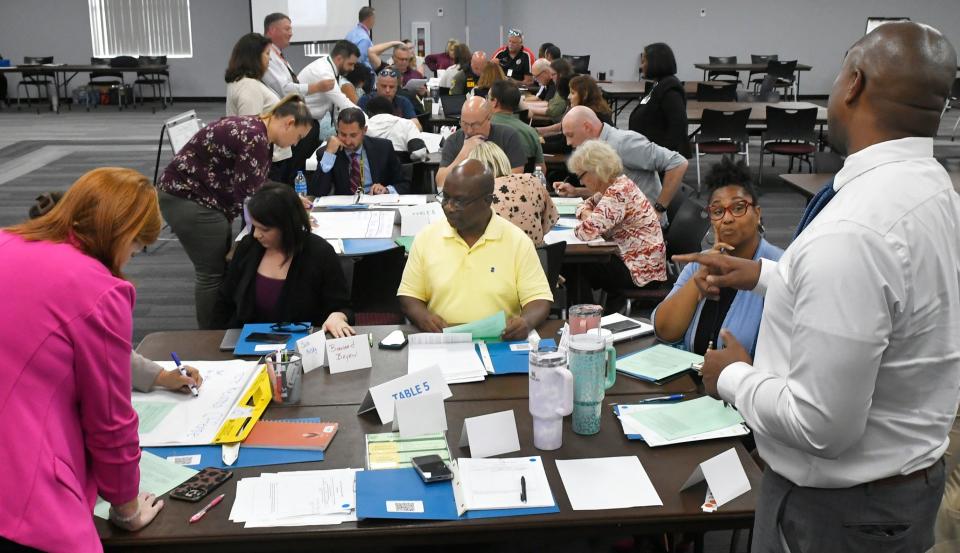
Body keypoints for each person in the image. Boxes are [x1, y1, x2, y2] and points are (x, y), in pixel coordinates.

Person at [675, 22, 959, 553]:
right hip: (899, 488)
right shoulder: (932, 188)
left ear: (853, 83)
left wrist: (732, 375)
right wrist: (765, 275)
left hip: (838, 513)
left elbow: (821, 425)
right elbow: (888, 299)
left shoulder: (852, 230)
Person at [0, 168, 166, 551]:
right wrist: (126, 508)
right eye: (137, 247)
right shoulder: (98, 290)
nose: (130, 258)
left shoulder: (7, 243)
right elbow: (109, 420)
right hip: (23, 493)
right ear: (125, 234)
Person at [158, 95, 313, 329]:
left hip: (196, 194)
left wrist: (288, 197)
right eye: (298, 137)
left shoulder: (257, 128)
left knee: (218, 267)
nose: (295, 143)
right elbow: (250, 197)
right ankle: (209, 335)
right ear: (289, 123)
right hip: (190, 198)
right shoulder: (255, 137)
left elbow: (255, 179)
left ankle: (216, 328)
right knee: (212, 273)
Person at [25, 191, 203, 395]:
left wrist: (161, 376)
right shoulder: (66, 283)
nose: (126, 261)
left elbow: (106, 346)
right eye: (132, 251)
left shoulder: (53, 268)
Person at [398, 159, 553, 340]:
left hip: (500, 341)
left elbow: (539, 299)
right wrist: (423, 317)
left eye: (459, 201)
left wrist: (525, 322)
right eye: (446, 197)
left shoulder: (516, 241)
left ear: (487, 201)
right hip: (444, 340)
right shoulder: (426, 237)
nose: (449, 207)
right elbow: (408, 295)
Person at [651, 158, 782, 356]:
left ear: (757, 213)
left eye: (738, 208)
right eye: (718, 211)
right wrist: (696, 284)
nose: (727, 219)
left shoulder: (779, 268)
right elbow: (664, 331)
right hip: (693, 383)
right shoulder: (701, 263)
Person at [212, 183, 354, 335]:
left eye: (265, 229)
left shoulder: (320, 253)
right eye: (254, 226)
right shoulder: (248, 247)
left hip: (303, 343)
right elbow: (225, 300)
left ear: (287, 226)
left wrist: (338, 316)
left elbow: (342, 307)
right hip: (246, 340)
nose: (256, 234)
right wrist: (215, 338)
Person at [564, 140, 666, 312]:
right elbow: (583, 205)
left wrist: (588, 216)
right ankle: (585, 315)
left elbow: (585, 232)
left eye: (581, 176)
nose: (581, 183)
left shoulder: (618, 193)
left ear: (596, 170)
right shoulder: (616, 184)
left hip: (641, 269)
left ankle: (585, 318)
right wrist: (588, 214)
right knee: (576, 266)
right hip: (635, 260)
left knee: (575, 266)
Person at [555, 106, 687, 217]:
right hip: (621, 220)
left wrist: (659, 209)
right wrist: (576, 191)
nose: (568, 142)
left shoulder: (624, 143)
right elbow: (611, 191)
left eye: (570, 135)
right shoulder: (601, 147)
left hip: (642, 229)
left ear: (587, 127)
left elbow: (678, 162)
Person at [262, 12, 333, 180]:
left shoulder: (277, 55)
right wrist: (315, 87)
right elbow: (284, 89)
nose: (291, 33)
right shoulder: (269, 56)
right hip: (278, 121)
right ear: (272, 30)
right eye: (287, 28)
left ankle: (293, 183)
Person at [224, 32, 293, 183]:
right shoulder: (249, 86)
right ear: (254, 57)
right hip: (268, 160)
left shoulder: (243, 81)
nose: (269, 59)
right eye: (267, 54)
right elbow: (250, 132)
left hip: (270, 156)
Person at [468, 141, 558, 245]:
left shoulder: (475, 194)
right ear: (504, 161)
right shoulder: (531, 181)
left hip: (496, 258)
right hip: (536, 256)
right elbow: (548, 224)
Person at [312, 107, 409, 196]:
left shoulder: (383, 148)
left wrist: (386, 190)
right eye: (343, 134)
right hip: (345, 209)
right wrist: (329, 154)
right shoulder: (328, 152)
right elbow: (318, 192)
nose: (347, 141)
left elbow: (404, 184)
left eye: (353, 135)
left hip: (376, 205)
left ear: (364, 130)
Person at [436, 97, 527, 188]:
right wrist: (463, 154)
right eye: (464, 123)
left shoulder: (508, 136)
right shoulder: (453, 141)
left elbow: (515, 178)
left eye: (476, 124)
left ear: (489, 118)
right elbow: (441, 183)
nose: (469, 130)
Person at [629, 42, 690, 157]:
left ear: (656, 62)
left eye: (644, 61)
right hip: (649, 152)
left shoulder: (670, 88)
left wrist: (661, 155)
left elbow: (678, 126)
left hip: (661, 158)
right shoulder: (658, 84)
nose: (641, 67)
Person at [298, 40, 361, 131]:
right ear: (339, 59)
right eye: (350, 64)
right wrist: (368, 122)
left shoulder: (327, 66)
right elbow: (343, 103)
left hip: (308, 121)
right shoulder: (324, 73)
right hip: (303, 123)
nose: (352, 68)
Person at [537, 74, 614, 138]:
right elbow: (562, 126)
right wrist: (537, 132)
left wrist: (537, 140)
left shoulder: (586, 113)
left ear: (584, 95)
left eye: (573, 93)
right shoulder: (593, 106)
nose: (568, 97)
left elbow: (564, 142)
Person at [488, 79, 544, 167]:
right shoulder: (531, 132)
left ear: (494, 102)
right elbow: (541, 169)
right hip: (525, 179)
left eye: (488, 98)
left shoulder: (481, 128)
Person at [365, 95, 429, 161]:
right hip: (403, 168)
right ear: (392, 112)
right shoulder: (407, 124)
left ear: (368, 113)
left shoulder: (363, 128)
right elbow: (419, 152)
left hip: (370, 168)